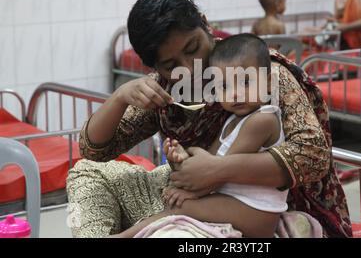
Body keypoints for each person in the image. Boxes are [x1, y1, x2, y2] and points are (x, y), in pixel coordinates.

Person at [66, 0, 352, 238]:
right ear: (155, 67)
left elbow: (312, 154)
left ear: (205, 24)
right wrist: (119, 97)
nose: (189, 68)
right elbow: (94, 150)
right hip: (191, 194)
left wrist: (215, 171)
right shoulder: (166, 90)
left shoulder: (259, 75)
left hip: (261, 209)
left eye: (193, 48)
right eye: (170, 64)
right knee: (87, 172)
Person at [112, 34, 288, 238]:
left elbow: (217, 173)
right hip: (236, 202)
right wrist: (183, 159)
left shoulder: (263, 120)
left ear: (268, 83)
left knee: (183, 206)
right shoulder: (233, 120)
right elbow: (211, 160)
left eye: (245, 82)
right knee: (179, 205)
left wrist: (192, 192)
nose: (235, 93)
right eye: (225, 86)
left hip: (258, 214)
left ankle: (123, 237)